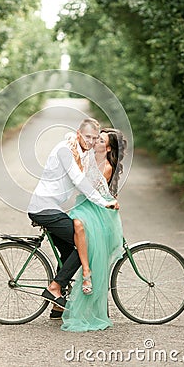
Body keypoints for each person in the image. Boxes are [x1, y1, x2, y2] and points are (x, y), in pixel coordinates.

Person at [27, 118, 118, 316]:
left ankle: (58, 305)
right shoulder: (65, 150)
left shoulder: (81, 151)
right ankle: (54, 288)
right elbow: (78, 179)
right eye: (87, 137)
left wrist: (108, 197)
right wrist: (103, 202)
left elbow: (92, 177)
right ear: (78, 133)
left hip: (53, 208)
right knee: (86, 244)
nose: (91, 141)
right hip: (44, 209)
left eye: (95, 138)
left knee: (70, 252)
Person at [61, 128, 126, 332]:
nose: (96, 141)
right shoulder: (89, 156)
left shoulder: (106, 166)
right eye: (96, 138)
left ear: (107, 148)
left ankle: (87, 277)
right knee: (67, 242)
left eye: (100, 140)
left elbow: (86, 188)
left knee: (90, 248)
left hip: (95, 210)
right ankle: (61, 291)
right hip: (84, 206)